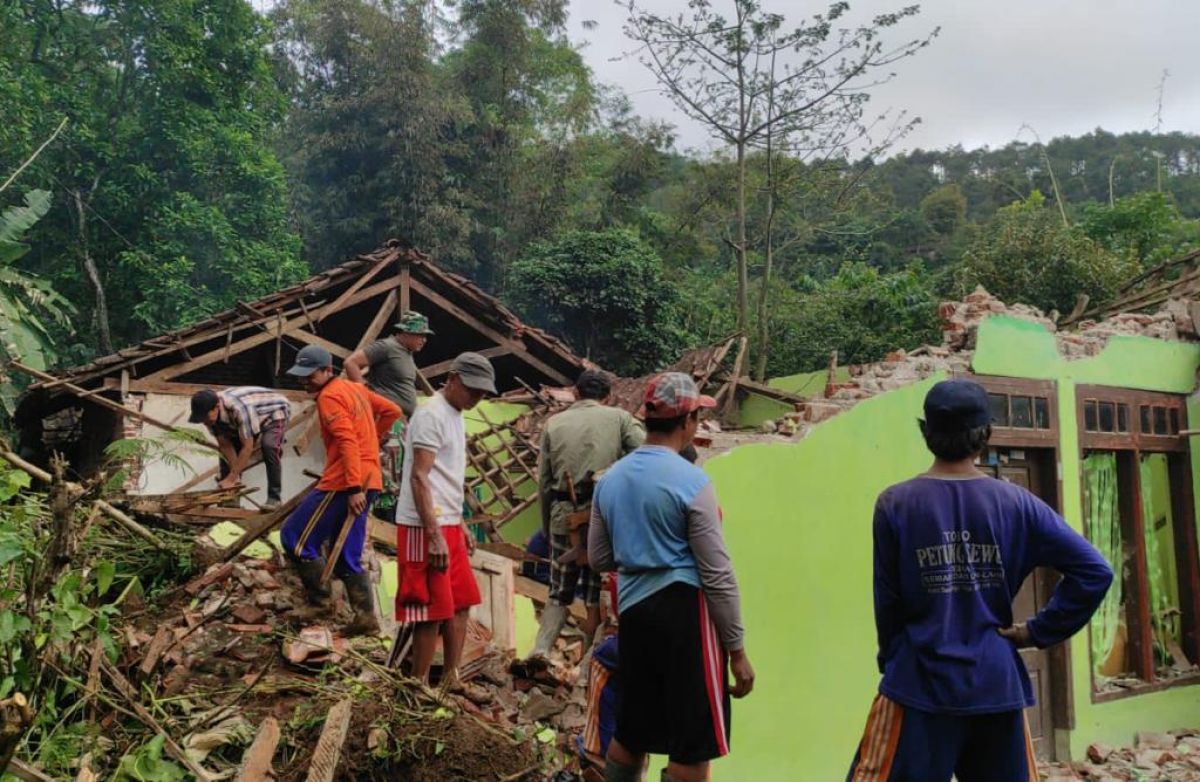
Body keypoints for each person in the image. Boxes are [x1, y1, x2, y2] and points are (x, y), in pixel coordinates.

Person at [846, 378, 1113, 782]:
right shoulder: (1017, 503)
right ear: (986, 435)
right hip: (996, 683)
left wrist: (892, 661)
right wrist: (1035, 632)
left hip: (919, 683)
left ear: (926, 433)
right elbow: (1095, 571)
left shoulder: (895, 504)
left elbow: (888, 602)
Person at [588, 372, 753, 782]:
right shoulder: (693, 482)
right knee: (692, 747)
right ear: (688, 421)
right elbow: (717, 573)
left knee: (632, 731)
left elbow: (598, 557)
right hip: (685, 616)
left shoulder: (610, 480)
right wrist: (736, 650)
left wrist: (639, 553)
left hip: (634, 613)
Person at [278, 345, 401, 636]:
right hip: (370, 479)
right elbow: (392, 410)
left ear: (327, 371)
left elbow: (347, 442)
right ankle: (365, 618)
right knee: (347, 551)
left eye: (310, 375)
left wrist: (353, 487)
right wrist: (374, 438)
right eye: (301, 376)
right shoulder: (355, 389)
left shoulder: (329, 397)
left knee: (294, 538)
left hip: (345, 482)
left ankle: (320, 603)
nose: (304, 381)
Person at [524, 369, 644, 666]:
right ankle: (587, 667)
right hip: (606, 519)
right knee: (596, 594)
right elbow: (647, 455)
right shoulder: (620, 419)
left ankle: (540, 652)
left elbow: (544, 482)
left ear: (576, 393)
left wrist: (548, 526)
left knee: (558, 591)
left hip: (563, 518)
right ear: (608, 397)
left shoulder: (554, 423)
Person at [394, 352, 496, 692]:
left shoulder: (456, 414)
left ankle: (452, 678)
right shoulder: (430, 415)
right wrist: (434, 535)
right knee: (429, 609)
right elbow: (419, 477)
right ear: (452, 379)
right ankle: (418, 685)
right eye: (472, 389)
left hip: (447, 521)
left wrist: (460, 522)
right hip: (423, 525)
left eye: (482, 392)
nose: (477, 397)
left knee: (461, 602)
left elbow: (445, 477)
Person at [344, 311, 433, 515]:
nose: (424, 340)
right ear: (406, 333)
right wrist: (367, 397)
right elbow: (351, 363)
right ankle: (379, 514)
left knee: (399, 470)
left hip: (401, 423)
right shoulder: (387, 346)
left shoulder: (406, 354)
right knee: (386, 467)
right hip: (387, 421)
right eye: (420, 335)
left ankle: (390, 515)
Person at [189, 387, 291, 507]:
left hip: (274, 411)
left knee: (269, 446)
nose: (204, 422)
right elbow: (225, 445)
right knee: (225, 459)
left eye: (205, 418)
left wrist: (231, 479)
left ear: (216, 407)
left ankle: (274, 498)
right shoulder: (209, 417)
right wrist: (234, 476)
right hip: (248, 417)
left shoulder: (239, 408)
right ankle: (230, 503)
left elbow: (247, 447)